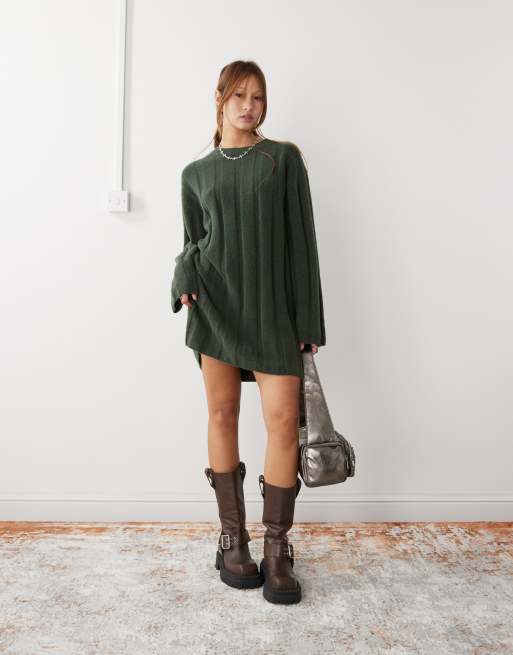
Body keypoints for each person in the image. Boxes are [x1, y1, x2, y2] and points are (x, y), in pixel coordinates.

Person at [170, 60, 326, 605]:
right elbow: (192, 243)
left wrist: (308, 321)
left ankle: (277, 549)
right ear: (220, 99)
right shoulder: (195, 174)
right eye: (239, 95)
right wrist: (183, 274)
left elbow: (302, 244)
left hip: (272, 310)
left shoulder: (283, 159)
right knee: (222, 415)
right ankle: (232, 541)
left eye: (258, 97)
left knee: (282, 421)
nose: (249, 106)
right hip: (215, 308)